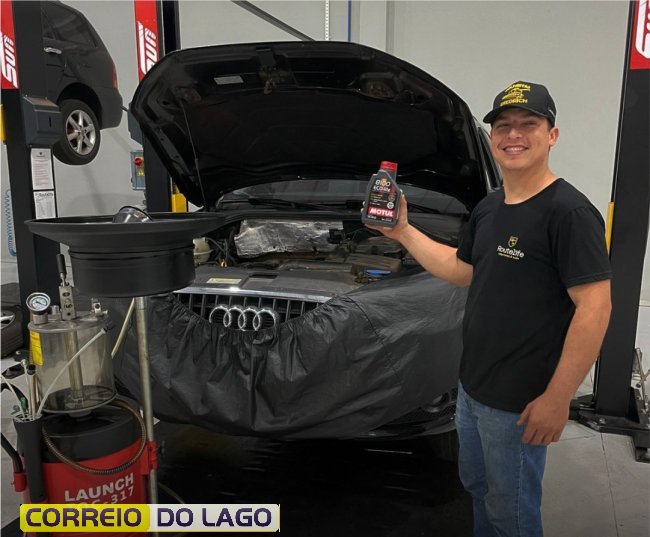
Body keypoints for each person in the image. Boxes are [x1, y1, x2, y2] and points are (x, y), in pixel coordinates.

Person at [367, 81, 612, 536]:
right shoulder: (490, 206)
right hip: (472, 387)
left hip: (519, 401)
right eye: (503, 126)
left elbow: (595, 310)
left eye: (528, 124)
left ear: (552, 135)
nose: (513, 135)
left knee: (510, 513)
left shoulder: (569, 213)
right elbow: (463, 271)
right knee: (477, 489)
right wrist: (402, 231)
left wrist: (557, 399)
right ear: (493, 136)